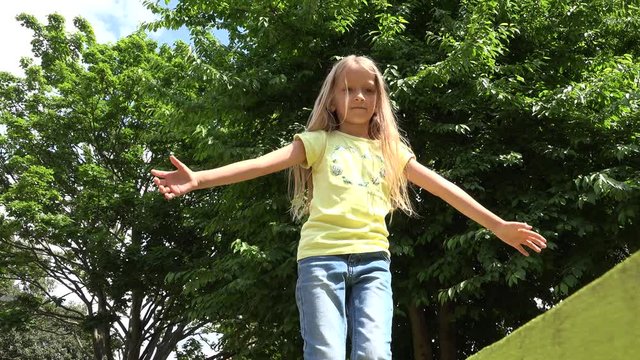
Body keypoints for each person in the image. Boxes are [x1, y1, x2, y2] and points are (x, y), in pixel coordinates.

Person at [150, 55, 547, 360]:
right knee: (325, 353)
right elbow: (259, 164)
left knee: (374, 353)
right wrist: (200, 178)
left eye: (369, 90)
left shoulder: (392, 151)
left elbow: (444, 188)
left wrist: (497, 226)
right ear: (333, 99)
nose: (359, 97)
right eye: (348, 89)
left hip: (374, 263)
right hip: (321, 261)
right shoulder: (318, 141)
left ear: (379, 99)